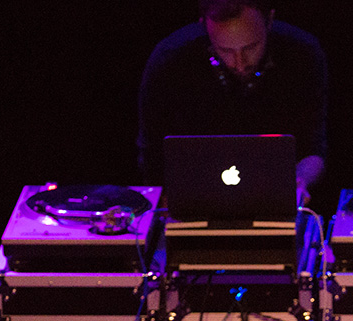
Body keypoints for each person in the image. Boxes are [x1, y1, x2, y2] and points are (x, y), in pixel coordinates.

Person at [137, 0, 327, 206]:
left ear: (270, 20)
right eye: (225, 50)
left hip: (277, 206)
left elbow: (314, 148)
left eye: (251, 47)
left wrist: (300, 181)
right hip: (194, 207)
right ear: (204, 27)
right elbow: (152, 155)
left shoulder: (301, 54)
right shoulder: (170, 60)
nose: (240, 63)